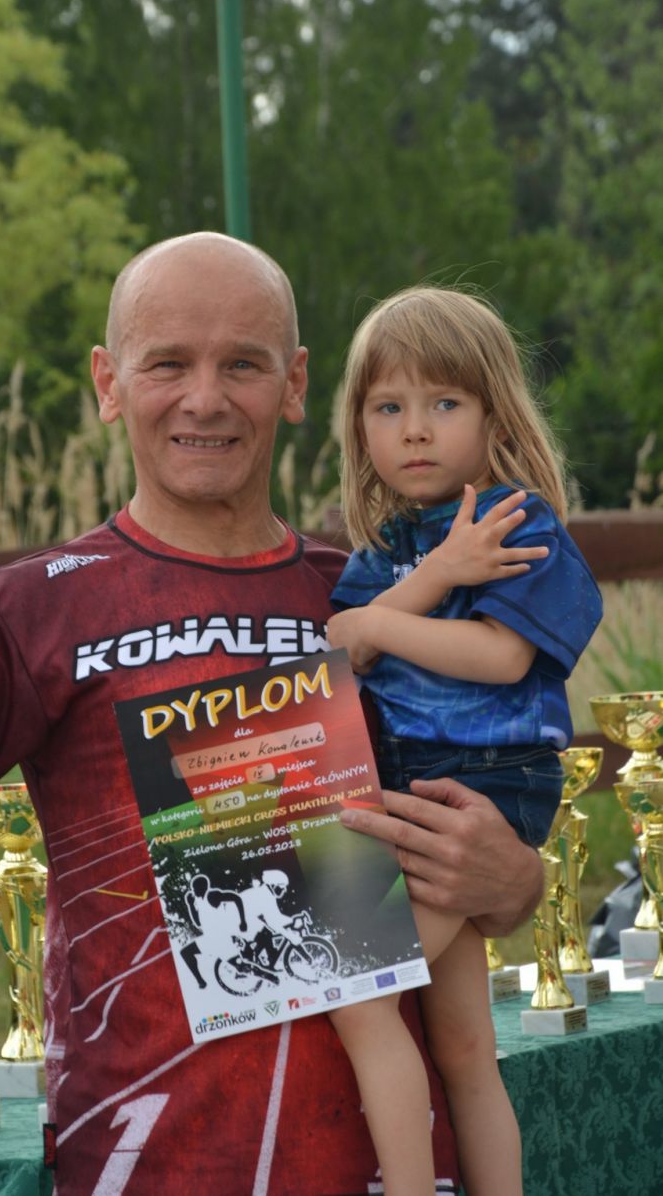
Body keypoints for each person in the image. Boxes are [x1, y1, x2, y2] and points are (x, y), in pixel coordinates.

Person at [0, 234, 545, 1195]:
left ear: (293, 384)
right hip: (150, 1165)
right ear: (108, 382)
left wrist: (515, 877)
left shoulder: (378, 603)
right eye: (167, 363)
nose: (204, 398)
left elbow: (493, 833)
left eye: (242, 364)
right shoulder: (30, 605)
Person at [325, 285, 603, 1196]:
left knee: (364, 999)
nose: (415, 429)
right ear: (358, 426)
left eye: (444, 403)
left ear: (494, 415)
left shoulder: (517, 523)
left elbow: (501, 655)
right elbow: (341, 645)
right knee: (463, 1043)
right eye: (388, 407)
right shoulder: (383, 549)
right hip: (408, 788)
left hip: (487, 783)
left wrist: (384, 619)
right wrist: (434, 574)